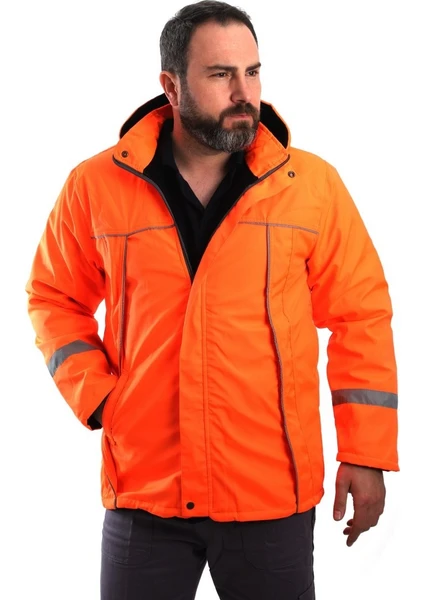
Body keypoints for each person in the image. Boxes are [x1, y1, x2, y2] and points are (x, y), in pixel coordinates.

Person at [25, 1, 399, 598]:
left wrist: (366, 451)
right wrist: (100, 399)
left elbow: (361, 316)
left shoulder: (311, 187)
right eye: (221, 74)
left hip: (269, 492)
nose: (244, 93)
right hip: (145, 490)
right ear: (171, 86)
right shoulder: (96, 187)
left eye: (253, 72)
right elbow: (53, 296)